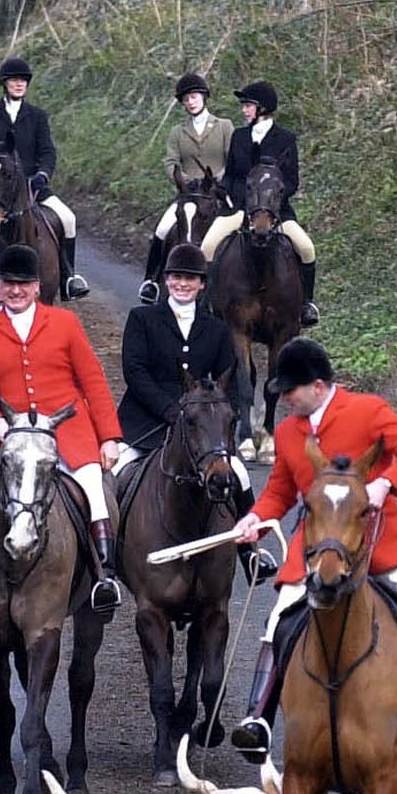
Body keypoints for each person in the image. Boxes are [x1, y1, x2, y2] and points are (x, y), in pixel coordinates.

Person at [227, 337, 397, 761]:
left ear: (318, 385)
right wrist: (256, 518)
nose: (286, 400)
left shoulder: (367, 411)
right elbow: (279, 491)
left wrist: (386, 482)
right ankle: (259, 717)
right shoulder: (289, 432)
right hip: (316, 548)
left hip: (380, 539)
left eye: (290, 391)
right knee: (278, 619)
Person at [0, 244, 124, 614]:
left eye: (24, 284)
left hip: (68, 434)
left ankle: (105, 577)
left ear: (38, 287)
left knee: (92, 488)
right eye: (9, 284)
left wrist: (109, 437)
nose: (16, 290)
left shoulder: (65, 323)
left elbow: (93, 381)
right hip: (9, 437)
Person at [115, 242, 275, 585]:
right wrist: (169, 410)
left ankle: (251, 554)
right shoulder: (142, 319)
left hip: (204, 429)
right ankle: (108, 566)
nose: (182, 284)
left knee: (240, 476)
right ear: (166, 280)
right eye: (176, 277)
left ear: (202, 284)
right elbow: (135, 372)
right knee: (116, 472)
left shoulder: (215, 329)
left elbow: (227, 379)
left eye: (190, 278)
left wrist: (223, 422)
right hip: (148, 422)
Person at [0, 57, 89, 304]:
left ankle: (68, 278)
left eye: (23, 80)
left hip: (31, 187)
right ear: (4, 84)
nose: (19, 84)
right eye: (14, 80)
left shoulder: (37, 116)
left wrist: (43, 174)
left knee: (68, 219)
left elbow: (47, 151)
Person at [197, 80, 321, 327]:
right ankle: (206, 301)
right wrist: (226, 191)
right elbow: (232, 173)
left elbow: (292, 181)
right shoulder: (239, 136)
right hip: (240, 208)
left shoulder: (285, 139)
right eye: (244, 106)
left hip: (275, 212)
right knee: (207, 246)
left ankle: (306, 304)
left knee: (307, 249)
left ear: (262, 108)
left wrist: (271, 203)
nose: (244, 110)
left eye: (248, 106)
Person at [137, 73, 233, 305]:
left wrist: (218, 177)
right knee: (161, 230)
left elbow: (233, 158)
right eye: (186, 99)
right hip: (189, 196)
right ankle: (151, 281)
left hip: (217, 194)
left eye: (194, 96)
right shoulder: (177, 132)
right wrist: (183, 178)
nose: (190, 102)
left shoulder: (224, 126)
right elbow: (170, 162)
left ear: (203, 97)